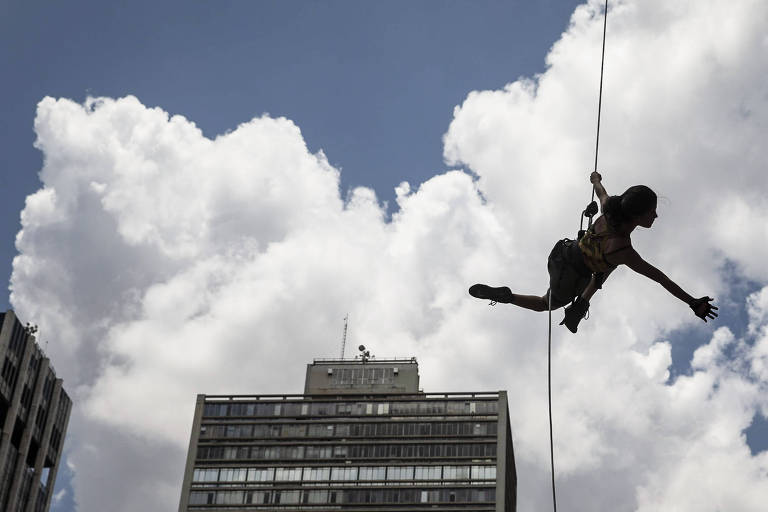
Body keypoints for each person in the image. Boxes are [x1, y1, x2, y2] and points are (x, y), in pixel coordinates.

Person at [469, 171, 718, 332]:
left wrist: (595, 179)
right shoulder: (623, 249)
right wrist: (692, 302)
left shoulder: (609, 208)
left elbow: (601, 192)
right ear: (637, 215)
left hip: (562, 253)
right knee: (544, 304)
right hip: (571, 273)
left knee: (604, 268)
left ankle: (580, 306)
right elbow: (660, 278)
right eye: (651, 211)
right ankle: (508, 296)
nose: (656, 215)